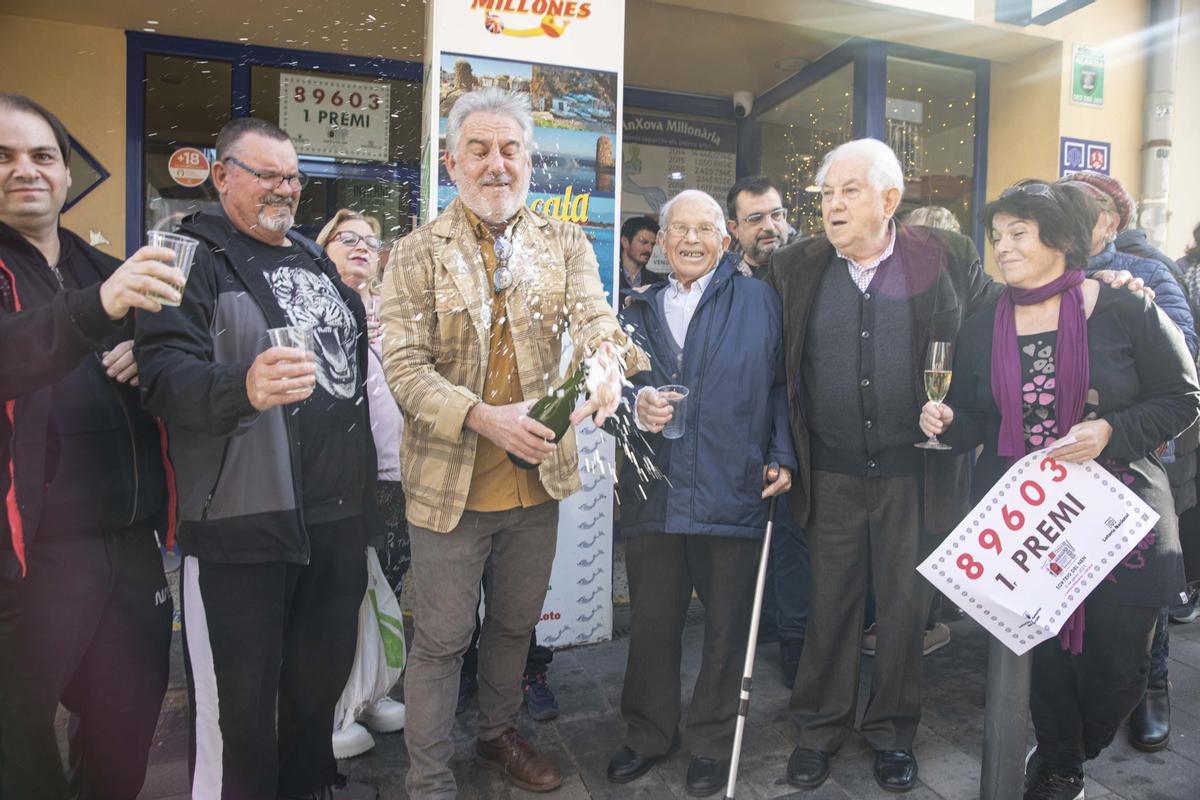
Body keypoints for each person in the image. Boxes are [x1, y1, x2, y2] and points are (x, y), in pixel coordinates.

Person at [379, 87, 647, 798]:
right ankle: (429, 778)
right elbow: (404, 369)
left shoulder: (563, 243)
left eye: (510, 150)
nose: (497, 164)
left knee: (513, 628)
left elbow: (598, 321)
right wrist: (485, 417)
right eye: (480, 149)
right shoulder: (413, 254)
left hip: (536, 482)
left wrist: (604, 365)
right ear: (450, 160)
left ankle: (497, 734)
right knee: (439, 643)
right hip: (450, 487)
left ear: (529, 160)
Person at [919, 180, 1199, 800]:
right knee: (1041, 658)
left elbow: (1183, 398)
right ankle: (1062, 765)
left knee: (1121, 668)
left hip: (1121, 513)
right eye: (997, 237)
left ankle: (1070, 746)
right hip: (1026, 517)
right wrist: (948, 422)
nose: (1003, 247)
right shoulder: (983, 323)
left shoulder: (1128, 307)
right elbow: (975, 417)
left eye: (1018, 233)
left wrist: (1111, 429)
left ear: (1063, 240)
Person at [134, 118, 381, 800]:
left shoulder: (310, 255)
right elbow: (160, 376)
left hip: (335, 520)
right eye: (265, 174)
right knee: (239, 720)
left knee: (313, 700)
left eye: (292, 177)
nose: (283, 188)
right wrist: (239, 386)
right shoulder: (182, 255)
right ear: (222, 176)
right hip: (245, 526)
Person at [765, 138, 995, 793]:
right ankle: (817, 729)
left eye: (849, 192)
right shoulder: (795, 267)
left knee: (902, 610)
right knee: (829, 605)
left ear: (888, 200)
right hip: (831, 471)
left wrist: (1096, 286)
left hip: (913, 472)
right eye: (826, 194)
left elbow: (1003, 317)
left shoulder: (945, 255)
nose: (832, 206)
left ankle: (893, 731)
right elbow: (762, 350)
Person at [0, 92, 180, 800]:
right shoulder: (105, 288)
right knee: (18, 743)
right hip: (26, 560)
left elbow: (157, 372)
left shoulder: (99, 266)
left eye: (42, 156)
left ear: (67, 175)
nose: (26, 171)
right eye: (5, 157)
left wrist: (145, 359)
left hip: (129, 545)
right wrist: (100, 309)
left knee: (126, 722)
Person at [603, 189, 796, 796]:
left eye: (704, 229)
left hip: (731, 484)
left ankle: (714, 741)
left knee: (727, 626)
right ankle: (647, 734)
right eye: (677, 229)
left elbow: (782, 387)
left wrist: (782, 453)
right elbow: (602, 395)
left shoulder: (761, 301)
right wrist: (635, 404)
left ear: (724, 237)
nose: (690, 240)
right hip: (654, 491)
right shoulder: (631, 309)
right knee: (654, 624)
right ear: (660, 241)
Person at [1059, 171, 1198, 753]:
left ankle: (1152, 685)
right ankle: (1070, 684)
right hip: (1066, 461)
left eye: (1078, 210)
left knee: (1139, 584)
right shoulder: (1050, 270)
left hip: (1133, 458)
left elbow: (1183, 360)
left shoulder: (1146, 275)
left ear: (1110, 222)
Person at [317, 210, 408, 759]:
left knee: (385, 588)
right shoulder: (316, 306)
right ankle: (333, 706)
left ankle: (371, 690)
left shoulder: (392, 311)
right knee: (341, 592)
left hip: (399, 475)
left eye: (370, 241)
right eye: (346, 238)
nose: (360, 247)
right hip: (340, 477)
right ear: (323, 248)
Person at [725, 174, 810, 687]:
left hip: (802, 430)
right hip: (741, 432)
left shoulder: (815, 269)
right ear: (734, 228)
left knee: (796, 542)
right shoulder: (723, 280)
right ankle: (751, 635)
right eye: (755, 219)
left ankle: (797, 647)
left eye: (776, 214)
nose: (770, 227)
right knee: (745, 543)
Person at [619, 215, 665, 304]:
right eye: (643, 242)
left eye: (652, 244)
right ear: (625, 242)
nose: (649, 249)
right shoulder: (610, 279)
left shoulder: (657, 284)